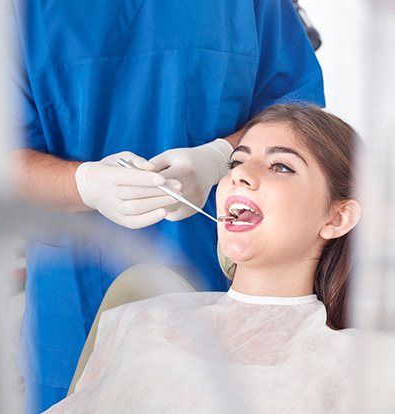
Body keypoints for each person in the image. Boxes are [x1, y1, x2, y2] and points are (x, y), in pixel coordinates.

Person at [7, 0, 325, 412]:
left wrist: (219, 156)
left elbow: (301, 117)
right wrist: (83, 185)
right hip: (74, 299)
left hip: (224, 285)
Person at [44, 104, 362, 413]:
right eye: (235, 163)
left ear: (337, 218)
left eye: (280, 166)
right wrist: (82, 183)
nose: (241, 176)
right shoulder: (140, 323)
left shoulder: (360, 364)